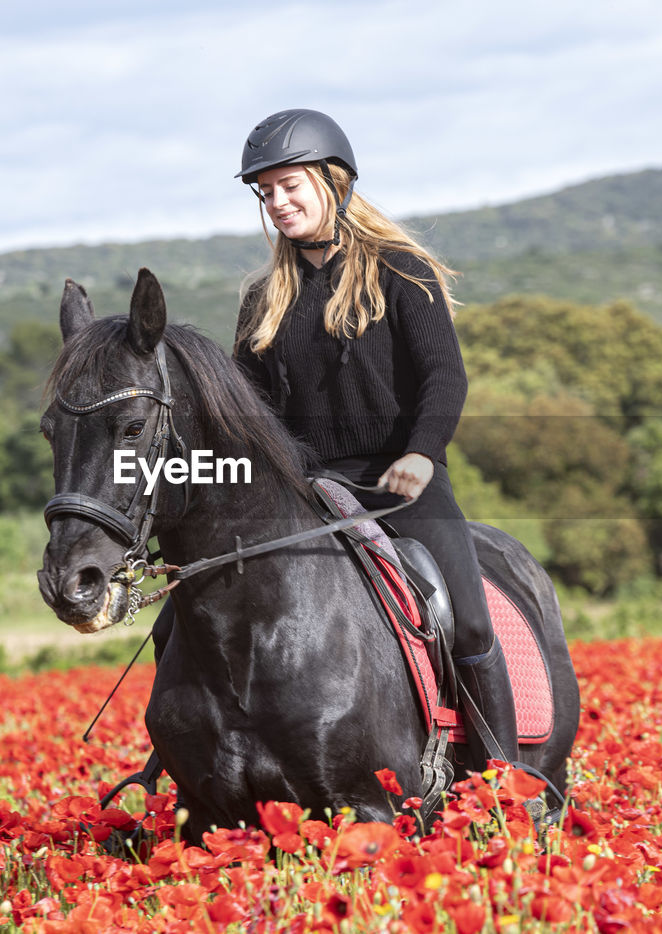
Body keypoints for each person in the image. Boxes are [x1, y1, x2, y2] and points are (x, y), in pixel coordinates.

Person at [228, 108, 519, 772]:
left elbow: (445, 375)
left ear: (334, 181)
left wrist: (421, 452)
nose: (278, 203)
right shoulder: (260, 300)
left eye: (290, 185)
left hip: (398, 477)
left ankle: (503, 783)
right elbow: (246, 412)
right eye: (265, 192)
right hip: (305, 491)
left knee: (469, 622)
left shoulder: (401, 271)